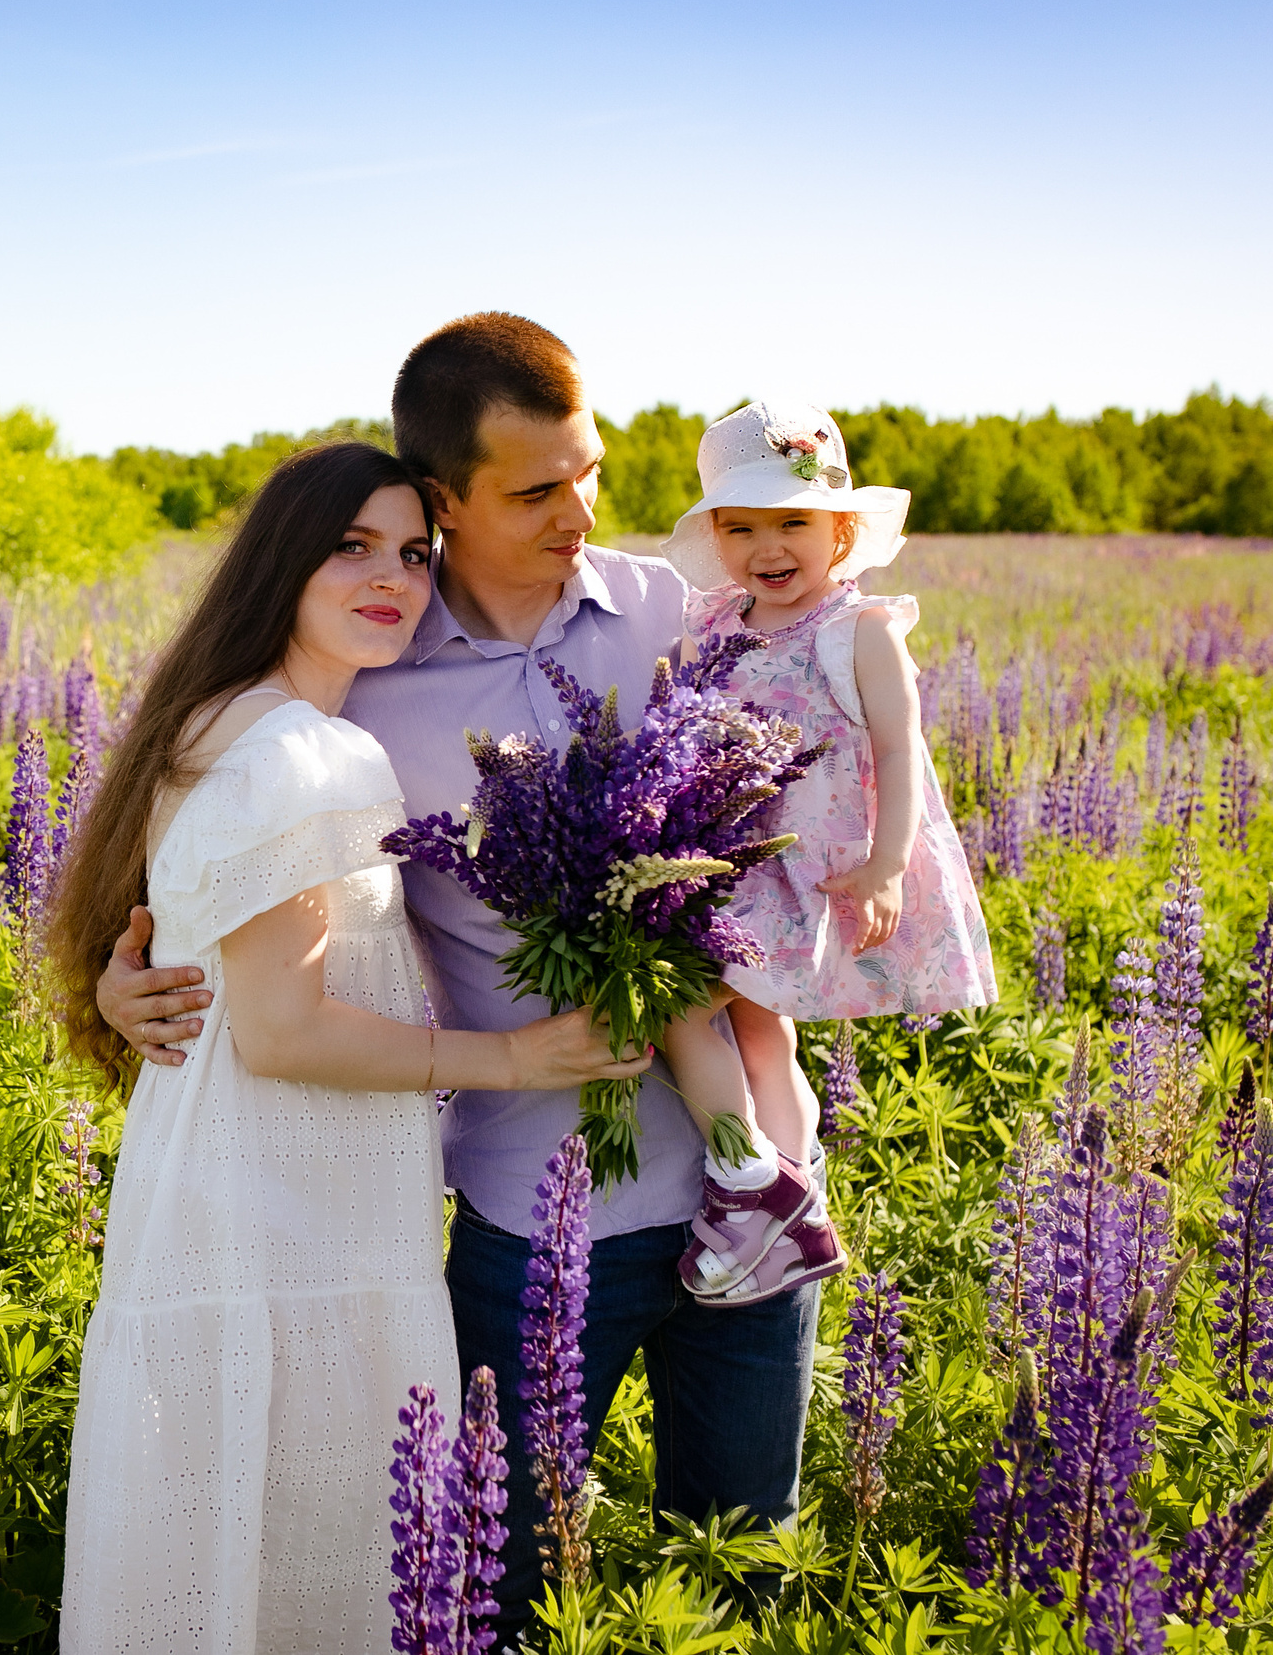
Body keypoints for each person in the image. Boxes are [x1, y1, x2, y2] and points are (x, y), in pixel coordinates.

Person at [95, 315, 824, 1641]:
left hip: (752, 1185)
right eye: (537, 488)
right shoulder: (360, 677)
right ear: (449, 498)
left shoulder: (676, 610)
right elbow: (217, 840)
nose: (580, 509)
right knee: (507, 1601)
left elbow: (824, 789)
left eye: (589, 470)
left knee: (739, 1584)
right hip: (528, 1207)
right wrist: (120, 972)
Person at [52, 440, 650, 1653]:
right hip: (290, 1208)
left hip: (223, 1191)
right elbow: (281, 1030)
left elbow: (197, 963)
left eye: (415, 555)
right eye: (351, 548)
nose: (392, 578)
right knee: (315, 1563)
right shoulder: (301, 755)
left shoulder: (221, 721)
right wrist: (518, 1060)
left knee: (227, 1557)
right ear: (285, 560)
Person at [652, 401, 999, 1304]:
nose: (769, 546)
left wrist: (888, 864)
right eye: (742, 526)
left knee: (680, 1001)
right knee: (760, 1033)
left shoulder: (862, 630)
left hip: (814, 872)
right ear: (716, 536)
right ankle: (791, 1201)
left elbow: (897, 751)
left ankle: (751, 1181)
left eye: (793, 521)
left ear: (841, 528)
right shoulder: (717, 622)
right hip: (734, 862)